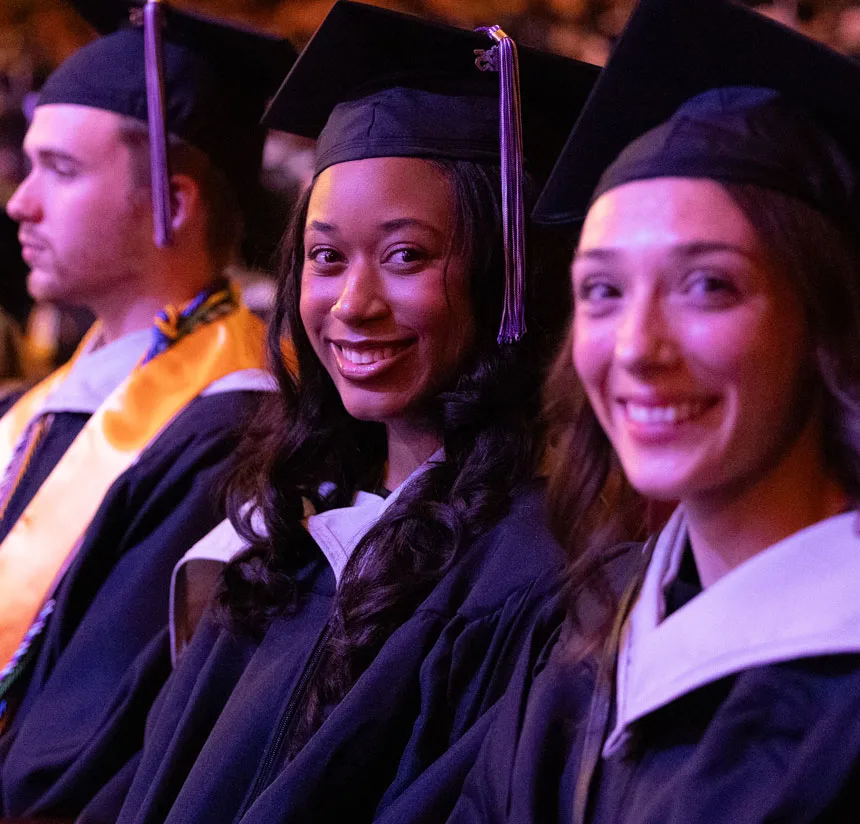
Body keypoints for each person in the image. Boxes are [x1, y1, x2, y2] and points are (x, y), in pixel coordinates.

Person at [77, 3, 599, 823]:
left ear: (507, 275)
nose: (352, 303)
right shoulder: (289, 532)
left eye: (406, 256)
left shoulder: (535, 579)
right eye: (325, 258)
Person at [448, 0, 860, 821]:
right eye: (602, 290)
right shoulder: (593, 620)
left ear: (828, 323)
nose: (636, 346)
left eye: (708, 284)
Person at [0, 2, 296, 818]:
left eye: (58, 171)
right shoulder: (41, 408)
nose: (19, 203)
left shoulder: (230, 434)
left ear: (173, 201)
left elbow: (77, 756)